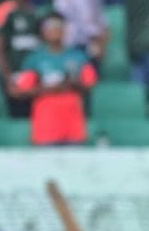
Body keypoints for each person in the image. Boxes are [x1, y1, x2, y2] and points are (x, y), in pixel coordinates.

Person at [13, 12, 99, 144]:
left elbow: (90, 83)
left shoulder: (78, 57)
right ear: (43, 31)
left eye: (59, 25)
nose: (55, 29)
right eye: (50, 26)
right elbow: (22, 91)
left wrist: (73, 83)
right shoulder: (34, 59)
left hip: (73, 128)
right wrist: (51, 88)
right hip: (46, 129)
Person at [0, 0, 45, 119]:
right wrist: (8, 80)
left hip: (33, 77)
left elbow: (40, 45)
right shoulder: (4, 11)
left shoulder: (35, 12)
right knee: (17, 117)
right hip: (14, 75)